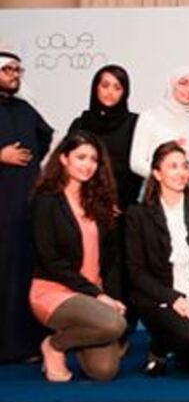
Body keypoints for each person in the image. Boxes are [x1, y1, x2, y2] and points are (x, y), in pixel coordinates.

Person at [29, 131, 127, 381]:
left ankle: (80, 330)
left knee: (104, 371)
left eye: (93, 159)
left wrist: (111, 296)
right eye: (81, 157)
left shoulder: (99, 202)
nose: (88, 165)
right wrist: (99, 296)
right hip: (54, 292)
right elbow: (50, 260)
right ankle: (54, 345)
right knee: (113, 324)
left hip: (92, 294)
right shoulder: (46, 201)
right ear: (63, 158)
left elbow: (111, 259)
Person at [126, 141, 189, 377]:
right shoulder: (137, 215)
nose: (181, 172)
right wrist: (173, 299)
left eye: (184, 166)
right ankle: (159, 347)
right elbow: (135, 271)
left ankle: (181, 349)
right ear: (157, 174)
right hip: (159, 298)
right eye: (173, 166)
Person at [0, 50, 53, 362]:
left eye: (18, 70)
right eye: (7, 69)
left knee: (21, 270)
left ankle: (21, 345)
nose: (14, 75)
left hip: (22, 206)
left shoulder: (24, 109)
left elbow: (44, 138)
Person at [68, 64, 143, 210]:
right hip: (83, 204)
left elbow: (134, 171)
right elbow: (70, 166)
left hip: (122, 206)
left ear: (125, 93)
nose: (110, 92)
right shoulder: (81, 123)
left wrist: (118, 203)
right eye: (105, 85)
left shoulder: (135, 123)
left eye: (117, 88)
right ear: (96, 87)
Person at [130, 67, 189, 198]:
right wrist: (167, 177)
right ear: (171, 85)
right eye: (183, 83)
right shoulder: (149, 118)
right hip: (155, 194)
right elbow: (136, 162)